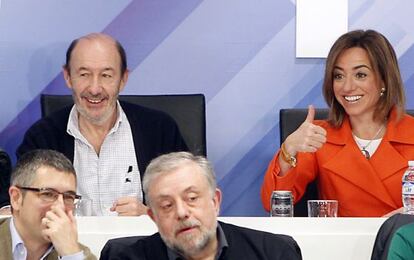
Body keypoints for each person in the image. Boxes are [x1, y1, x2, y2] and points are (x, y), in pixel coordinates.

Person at [16, 33, 188, 216]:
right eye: (84, 75)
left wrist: (150, 215)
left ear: (123, 79)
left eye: (106, 75)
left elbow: (189, 202)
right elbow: (23, 212)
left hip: (141, 243)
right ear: (68, 77)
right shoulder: (41, 138)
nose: (95, 89)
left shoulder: (160, 129)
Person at [261, 29, 414, 217]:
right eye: (338, 76)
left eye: (360, 75)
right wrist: (289, 148)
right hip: (341, 244)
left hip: (402, 243)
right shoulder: (320, 137)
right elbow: (272, 203)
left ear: (384, 80)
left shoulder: (411, 133)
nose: (347, 87)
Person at [100, 152, 302, 260]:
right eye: (167, 205)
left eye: (192, 198)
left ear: (215, 202)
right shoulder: (124, 256)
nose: (181, 213)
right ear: (153, 217)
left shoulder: (273, 253)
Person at [0, 149, 95, 259]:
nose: (60, 206)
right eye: (48, 194)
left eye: (68, 197)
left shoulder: (78, 255)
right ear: (16, 198)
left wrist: (70, 254)